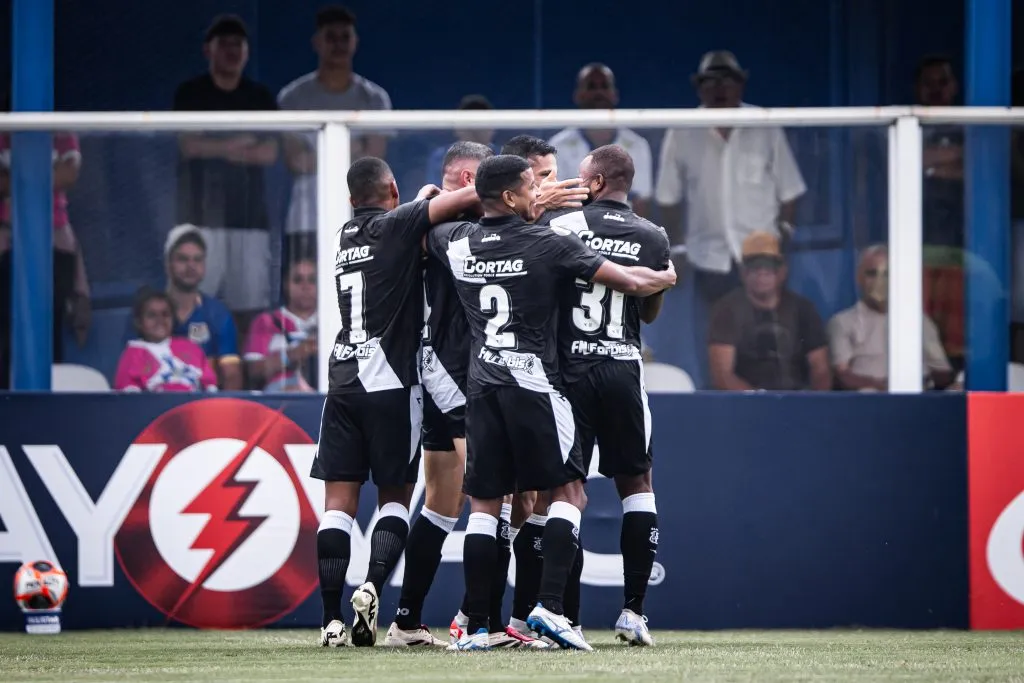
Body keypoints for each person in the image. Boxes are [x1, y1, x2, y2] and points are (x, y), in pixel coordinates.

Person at [426, 154, 675, 651]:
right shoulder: (555, 240)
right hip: (552, 379)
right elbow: (637, 291)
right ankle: (568, 609)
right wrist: (665, 277)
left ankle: (478, 627)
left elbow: (425, 217)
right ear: (515, 195)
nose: (548, 189)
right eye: (534, 183)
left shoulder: (458, 242)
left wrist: (439, 197)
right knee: (574, 493)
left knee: (485, 505)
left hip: (485, 383)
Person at [310, 157, 479, 648]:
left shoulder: (345, 235)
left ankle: (330, 622)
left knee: (337, 508)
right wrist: (428, 196)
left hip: (341, 382)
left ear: (349, 199)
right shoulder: (399, 224)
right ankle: (372, 587)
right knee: (394, 501)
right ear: (392, 190)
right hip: (391, 385)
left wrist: (419, 199)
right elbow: (468, 198)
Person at [388, 141, 539, 649]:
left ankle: (407, 621)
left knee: (441, 504)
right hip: (450, 369)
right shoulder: (439, 229)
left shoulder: (437, 221)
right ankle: (479, 623)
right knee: (494, 495)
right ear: (472, 179)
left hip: (452, 367)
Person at [546, 144, 670, 646]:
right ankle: (634, 612)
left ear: (595, 184)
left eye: (580, 179)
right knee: (637, 483)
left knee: (567, 488)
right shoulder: (653, 235)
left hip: (569, 370)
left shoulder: (561, 228)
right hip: (621, 366)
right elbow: (652, 311)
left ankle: (563, 615)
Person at [655, 50, 806, 306]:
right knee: (719, 339)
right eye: (711, 82)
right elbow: (667, 197)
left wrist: (782, 241)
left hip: (763, 256)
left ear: (741, 86)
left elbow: (790, 192)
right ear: (699, 89)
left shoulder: (765, 124)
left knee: (768, 338)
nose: (719, 89)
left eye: (727, 81)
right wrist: (678, 249)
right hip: (709, 259)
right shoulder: (682, 130)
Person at [173, 14, 279, 335]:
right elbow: (188, 145)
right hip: (200, 218)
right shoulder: (191, 94)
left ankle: (244, 379)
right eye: (225, 44)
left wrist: (214, 144)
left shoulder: (260, 97)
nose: (232, 51)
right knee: (197, 304)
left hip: (249, 220)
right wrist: (236, 144)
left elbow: (270, 152)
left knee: (249, 308)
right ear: (209, 50)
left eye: (239, 45)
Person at [278, 5, 392, 249]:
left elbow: (373, 164)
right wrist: (355, 148)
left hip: (362, 214)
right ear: (316, 42)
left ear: (355, 41)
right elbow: (297, 161)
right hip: (306, 217)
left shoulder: (375, 98)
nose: (338, 44)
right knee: (304, 286)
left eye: (345, 37)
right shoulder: (292, 98)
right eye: (331, 37)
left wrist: (316, 152)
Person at [707, 231, 831, 391]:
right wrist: (760, 404)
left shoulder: (803, 309)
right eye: (754, 267)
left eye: (769, 267)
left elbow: (821, 369)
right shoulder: (726, 310)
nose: (761, 273)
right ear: (743, 273)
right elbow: (722, 376)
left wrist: (815, 406)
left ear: (782, 272)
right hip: (745, 404)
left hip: (797, 401)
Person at [125, 225, 242, 390]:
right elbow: (130, 370)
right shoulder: (147, 310)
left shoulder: (217, 313)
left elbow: (232, 375)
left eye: (197, 259)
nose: (191, 266)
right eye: (183, 259)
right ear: (167, 264)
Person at [828, 245, 954, 391]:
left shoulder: (918, 321)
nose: (879, 281)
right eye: (872, 273)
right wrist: (886, 387)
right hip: (866, 403)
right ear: (859, 278)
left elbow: (942, 371)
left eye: (887, 274)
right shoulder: (842, 322)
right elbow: (843, 376)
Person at [548, 63, 654, 217]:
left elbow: (641, 203)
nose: (598, 92)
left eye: (604, 86)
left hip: (624, 232)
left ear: (614, 95)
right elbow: (555, 203)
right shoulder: (558, 145)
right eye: (591, 87)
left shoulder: (637, 145)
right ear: (578, 96)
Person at [114, 289, 217, 393]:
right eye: (152, 315)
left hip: (194, 405)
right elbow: (127, 395)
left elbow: (210, 385)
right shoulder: (133, 353)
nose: (160, 320)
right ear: (139, 322)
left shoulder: (191, 347)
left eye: (165, 314)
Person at [244, 255, 318, 392]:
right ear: (285, 284)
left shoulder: (333, 321)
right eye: (297, 280)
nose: (305, 286)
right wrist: (293, 354)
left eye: (312, 280)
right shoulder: (266, 321)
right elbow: (253, 371)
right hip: (280, 396)